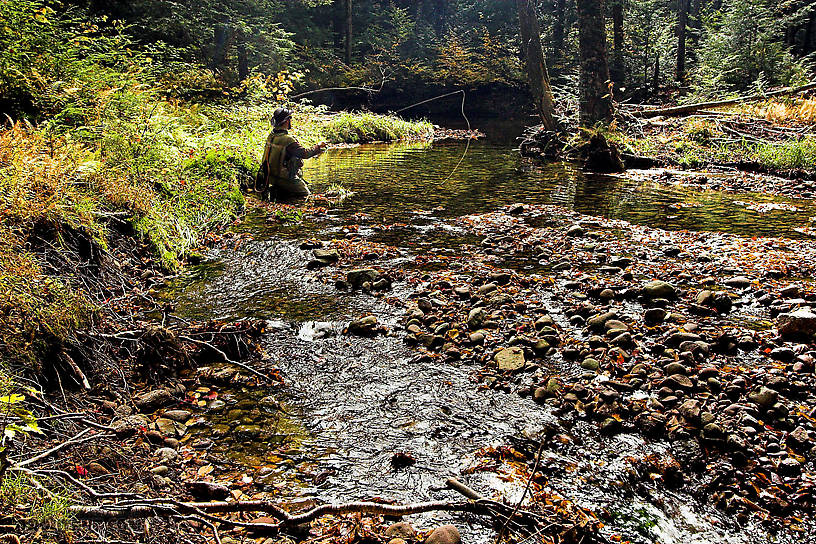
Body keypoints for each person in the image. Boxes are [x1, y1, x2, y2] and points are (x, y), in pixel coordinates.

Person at [256, 107, 328, 199]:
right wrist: (318, 146)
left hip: (269, 177)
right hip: (283, 179)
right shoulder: (288, 140)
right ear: (286, 121)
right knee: (306, 195)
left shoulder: (271, 135)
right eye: (290, 118)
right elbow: (304, 154)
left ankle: (279, 192)